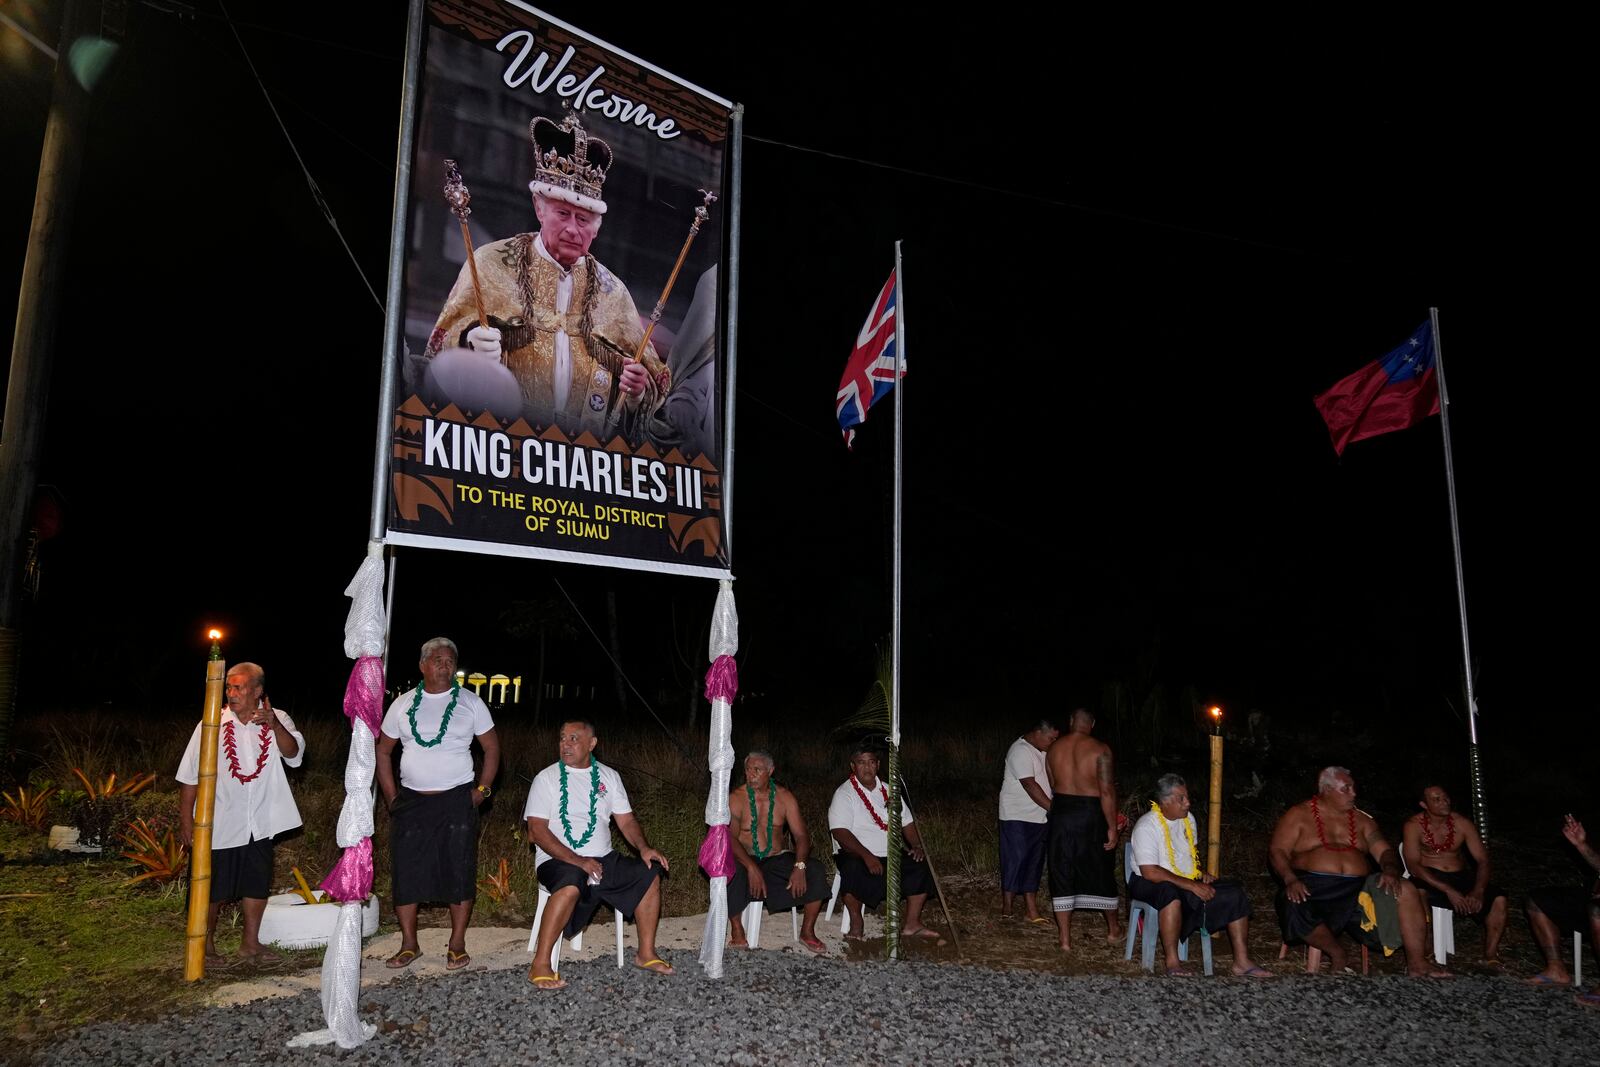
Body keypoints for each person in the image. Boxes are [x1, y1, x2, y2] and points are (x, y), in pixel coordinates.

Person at [423, 111, 668, 438]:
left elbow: (652, 382)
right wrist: (469, 343)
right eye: (563, 213)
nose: (572, 228)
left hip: (583, 461)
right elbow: (440, 348)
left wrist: (638, 391)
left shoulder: (615, 293)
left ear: (597, 228)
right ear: (540, 208)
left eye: (583, 220)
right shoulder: (491, 263)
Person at [376, 637, 500, 971]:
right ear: (422, 666)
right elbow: (383, 750)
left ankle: (457, 944)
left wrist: (482, 791)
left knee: (458, 870)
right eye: (437, 659)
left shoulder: (470, 703)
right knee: (407, 872)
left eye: (449, 660)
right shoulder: (402, 704)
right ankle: (409, 944)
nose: (444, 665)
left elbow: (491, 748)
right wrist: (391, 797)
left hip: (457, 800)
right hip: (412, 802)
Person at [525, 719, 674, 988]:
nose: (565, 744)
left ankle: (646, 953)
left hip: (603, 857)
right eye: (562, 738)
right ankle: (540, 964)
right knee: (571, 882)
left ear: (592, 744)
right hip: (557, 859)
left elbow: (626, 821)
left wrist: (644, 848)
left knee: (650, 872)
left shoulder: (608, 777)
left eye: (573, 739)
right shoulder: (546, 779)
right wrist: (578, 860)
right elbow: (537, 832)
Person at [176, 662, 305, 964]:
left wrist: (273, 724)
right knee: (213, 888)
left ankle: (250, 945)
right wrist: (186, 821)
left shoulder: (278, 718)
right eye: (229, 687)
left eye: (239, 687)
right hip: (219, 822)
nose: (231, 693)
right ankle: (204, 945)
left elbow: (294, 754)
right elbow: (189, 777)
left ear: (258, 690)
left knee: (256, 884)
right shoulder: (211, 723)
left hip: (260, 821)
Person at [1269, 766, 1447, 977]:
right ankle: (1337, 953)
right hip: (1314, 885)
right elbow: (1277, 851)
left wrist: (1390, 869)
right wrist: (1290, 878)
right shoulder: (1299, 815)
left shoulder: (1363, 821)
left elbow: (1384, 851)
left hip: (1358, 890)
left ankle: (1418, 963)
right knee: (1292, 902)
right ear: (1326, 790)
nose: (1354, 793)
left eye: (1353, 788)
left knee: (1406, 889)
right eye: (1346, 788)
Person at [1128, 774, 1272, 977]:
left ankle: (1241, 962)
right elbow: (1150, 871)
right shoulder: (1147, 826)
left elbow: (1186, 857)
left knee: (1234, 892)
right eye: (1181, 799)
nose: (1188, 803)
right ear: (1165, 802)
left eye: (1187, 797)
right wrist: (1191, 885)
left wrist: (1199, 874)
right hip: (1148, 881)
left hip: (1183, 880)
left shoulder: (1189, 820)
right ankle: (1172, 962)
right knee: (1170, 893)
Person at [828, 747, 940, 941]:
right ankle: (856, 922)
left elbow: (907, 822)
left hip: (890, 853)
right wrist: (867, 855)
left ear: (878, 765)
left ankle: (912, 924)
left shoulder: (890, 791)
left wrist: (916, 845)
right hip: (856, 853)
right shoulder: (844, 793)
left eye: (871, 762)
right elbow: (840, 832)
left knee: (920, 864)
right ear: (853, 766)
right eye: (861, 763)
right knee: (852, 868)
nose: (867, 768)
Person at [725, 750, 831, 953]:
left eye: (757, 770)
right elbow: (729, 838)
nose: (751, 774)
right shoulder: (737, 798)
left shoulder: (784, 797)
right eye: (748, 770)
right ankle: (737, 929)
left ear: (770, 771)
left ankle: (807, 932)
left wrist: (800, 866)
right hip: (745, 858)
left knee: (815, 869)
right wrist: (751, 867)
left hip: (775, 858)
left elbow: (801, 836)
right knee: (732, 869)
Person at [1401, 783, 1507, 963]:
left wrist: (1478, 890)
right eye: (1436, 800)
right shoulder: (1413, 825)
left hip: (1460, 876)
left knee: (1499, 899)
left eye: (1445, 797)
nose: (1444, 802)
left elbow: (1483, 859)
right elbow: (1413, 865)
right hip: (1429, 876)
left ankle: (1491, 955)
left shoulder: (1462, 823)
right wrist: (1447, 890)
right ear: (1424, 805)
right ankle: (1425, 948)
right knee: (1418, 893)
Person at [1043, 707, 1121, 950]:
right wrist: (1112, 827)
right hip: (1090, 813)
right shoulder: (1101, 749)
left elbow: (1054, 784)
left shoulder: (1053, 749)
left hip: (1062, 813)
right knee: (1101, 868)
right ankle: (1113, 930)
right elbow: (1106, 791)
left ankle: (1065, 940)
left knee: (1061, 869)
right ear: (1092, 724)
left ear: (1070, 721)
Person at [1525, 814, 1600, 988]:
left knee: (1597, 910)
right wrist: (1580, 845)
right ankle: (1556, 969)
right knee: (1537, 901)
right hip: (1592, 896)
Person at [998, 719, 1057, 923]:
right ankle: (1007, 908)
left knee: (1034, 862)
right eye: (1051, 738)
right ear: (1038, 732)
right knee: (1014, 860)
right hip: (1017, 816)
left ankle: (1031, 910)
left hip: (1038, 817)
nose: (1053, 742)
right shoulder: (1020, 750)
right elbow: (1030, 786)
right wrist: (1055, 810)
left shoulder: (1042, 751)